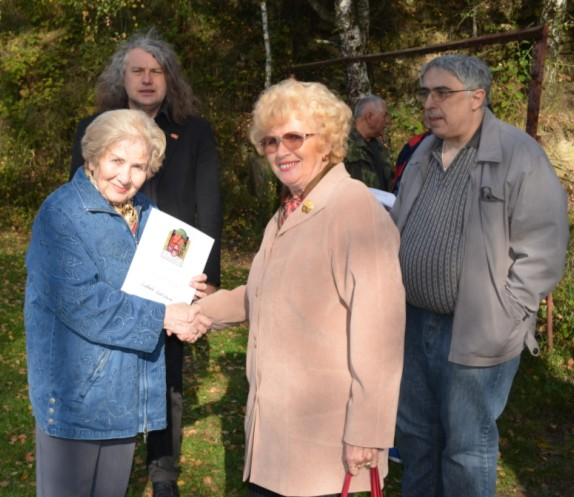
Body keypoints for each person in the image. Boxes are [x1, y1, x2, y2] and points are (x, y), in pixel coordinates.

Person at [195, 78, 406, 497]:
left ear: (327, 141)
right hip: (277, 437)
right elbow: (266, 292)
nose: (281, 150)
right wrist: (200, 310)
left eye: (294, 136)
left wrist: (367, 430)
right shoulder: (288, 210)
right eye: (270, 141)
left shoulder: (354, 208)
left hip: (324, 446)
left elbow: (380, 332)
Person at [390, 54, 569, 497]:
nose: (430, 103)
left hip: (478, 329)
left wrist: (510, 312)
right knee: (416, 439)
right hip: (412, 322)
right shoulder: (422, 153)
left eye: (442, 92)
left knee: (467, 449)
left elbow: (544, 247)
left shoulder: (517, 154)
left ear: (477, 97)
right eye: (425, 93)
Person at [25, 109, 211, 497]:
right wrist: (165, 315)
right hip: (77, 397)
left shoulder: (148, 215)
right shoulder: (61, 213)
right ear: (93, 158)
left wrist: (188, 294)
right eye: (116, 161)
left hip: (126, 396)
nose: (126, 177)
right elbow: (83, 303)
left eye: (139, 166)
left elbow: (156, 287)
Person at [69, 31, 223, 497]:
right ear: (123, 77)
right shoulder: (92, 128)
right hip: (111, 266)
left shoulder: (195, 131)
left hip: (173, 269)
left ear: (169, 79)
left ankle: (162, 470)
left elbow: (209, 203)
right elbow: (78, 200)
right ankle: (102, 453)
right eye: (138, 70)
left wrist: (209, 275)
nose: (147, 79)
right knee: (107, 359)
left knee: (167, 369)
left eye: (156, 71)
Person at [344, 95, 393, 191]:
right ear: (369, 117)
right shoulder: (342, 146)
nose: (387, 121)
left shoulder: (381, 149)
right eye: (384, 116)